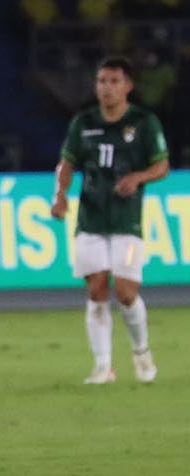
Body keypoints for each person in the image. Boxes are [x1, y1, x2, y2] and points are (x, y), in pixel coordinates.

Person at [50, 57, 170, 384]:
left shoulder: (144, 123)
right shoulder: (83, 123)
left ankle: (141, 351)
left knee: (127, 292)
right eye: (102, 81)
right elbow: (66, 164)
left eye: (114, 81)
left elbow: (162, 166)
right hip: (90, 221)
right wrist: (60, 195)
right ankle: (103, 367)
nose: (107, 88)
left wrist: (138, 177)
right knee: (97, 289)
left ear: (128, 86)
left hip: (127, 222)